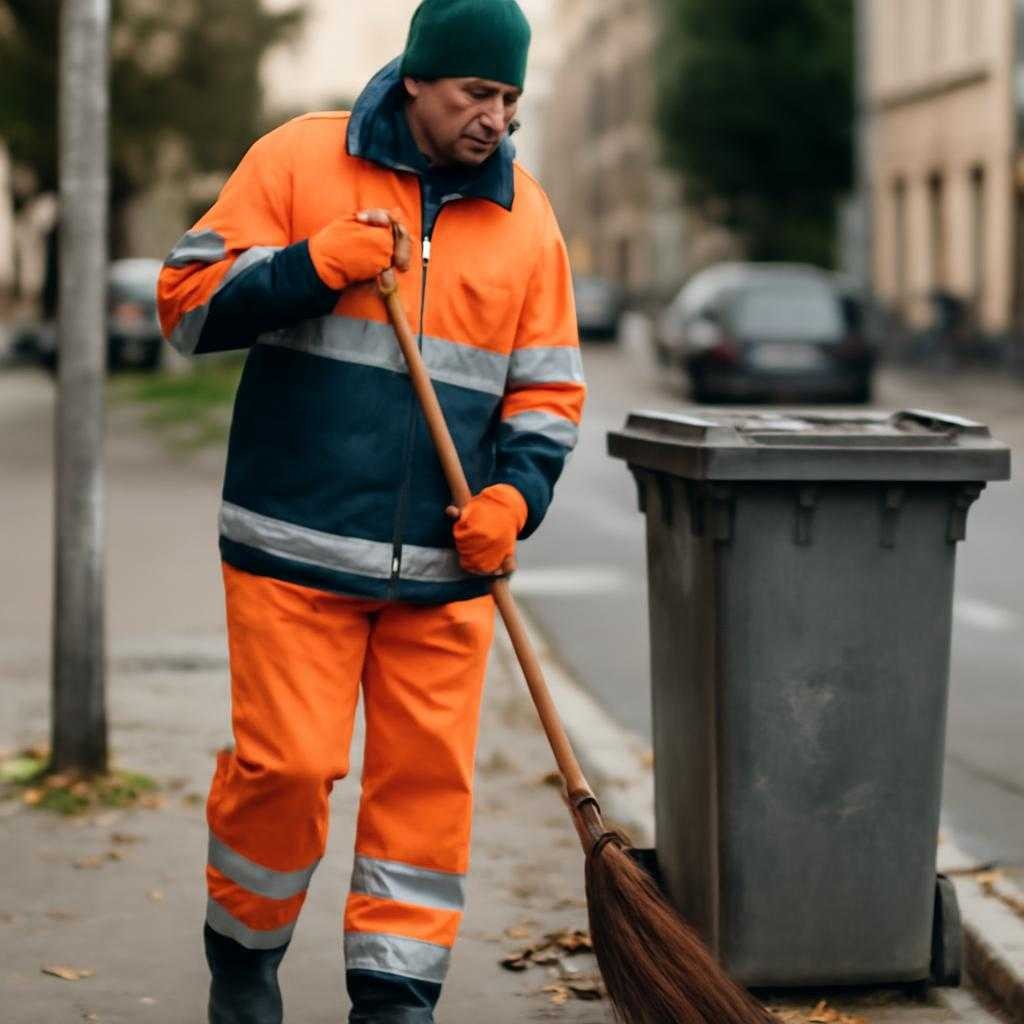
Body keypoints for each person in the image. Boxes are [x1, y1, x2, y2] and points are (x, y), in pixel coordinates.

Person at [156, 1, 585, 1021]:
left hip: (446, 571)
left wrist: (513, 500)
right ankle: (245, 958)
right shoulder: (300, 161)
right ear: (417, 81)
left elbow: (548, 388)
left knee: (425, 795)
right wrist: (308, 268)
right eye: (477, 92)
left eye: (510, 98)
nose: (496, 117)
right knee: (288, 769)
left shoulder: (526, 216)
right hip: (291, 547)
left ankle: (396, 996)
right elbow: (185, 303)